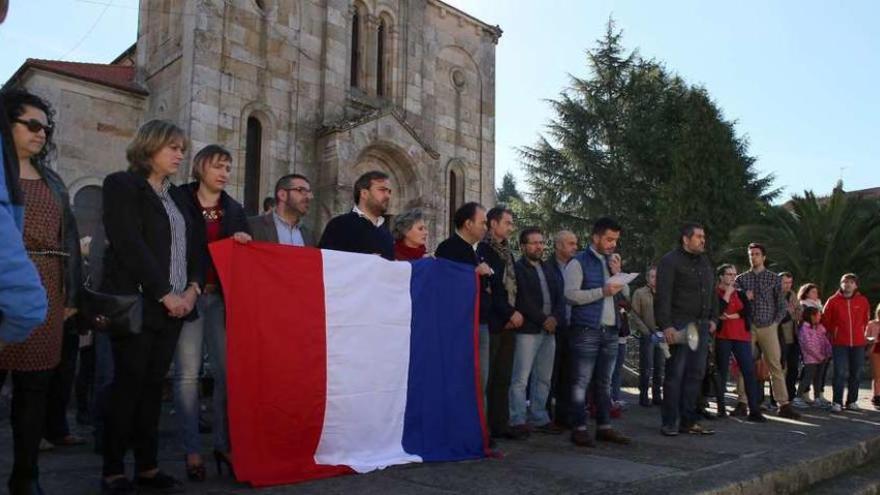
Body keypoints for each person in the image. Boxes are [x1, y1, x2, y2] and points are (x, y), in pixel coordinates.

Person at [100, 120, 205, 494]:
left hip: (177, 306)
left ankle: (147, 466)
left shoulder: (178, 197)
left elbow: (197, 247)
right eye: (173, 147)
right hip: (140, 303)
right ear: (150, 147)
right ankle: (113, 469)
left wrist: (192, 289)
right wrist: (164, 292)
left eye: (182, 148)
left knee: (151, 388)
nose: (180, 154)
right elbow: (128, 243)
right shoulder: (121, 185)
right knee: (127, 385)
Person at [0, 88, 83, 495]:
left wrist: (71, 299)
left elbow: (66, 239)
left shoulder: (52, 179)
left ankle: (26, 476)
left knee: (35, 390)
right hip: (4, 286)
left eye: (46, 128)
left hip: (49, 287)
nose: (40, 134)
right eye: (31, 125)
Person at [174, 145, 251, 481]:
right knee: (187, 377)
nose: (224, 173)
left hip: (219, 299)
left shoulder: (234, 210)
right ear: (200, 167)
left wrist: (243, 242)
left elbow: (242, 260)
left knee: (226, 374)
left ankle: (223, 444)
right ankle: (191, 450)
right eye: (218, 166)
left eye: (228, 168)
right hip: (187, 299)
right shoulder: (178, 200)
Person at [565, 217, 630, 447]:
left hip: (611, 331)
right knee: (581, 382)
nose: (613, 244)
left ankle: (604, 426)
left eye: (615, 240)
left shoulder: (611, 262)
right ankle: (579, 428)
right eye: (609, 239)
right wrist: (601, 291)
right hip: (586, 330)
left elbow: (625, 297)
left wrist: (618, 272)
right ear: (595, 237)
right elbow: (570, 295)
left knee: (604, 382)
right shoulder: (578, 262)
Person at [654, 223, 717, 437]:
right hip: (679, 325)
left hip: (701, 326)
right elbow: (663, 297)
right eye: (698, 236)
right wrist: (666, 326)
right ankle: (670, 422)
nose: (703, 240)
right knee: (675, 375)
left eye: (704, 236)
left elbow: (712, 293)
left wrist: (713, 318)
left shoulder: (705, 262)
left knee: (696, 374)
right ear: (685, 239)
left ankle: (688, 422)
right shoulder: (669, 261)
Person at [435, 203, 493, 414]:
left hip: (481, 322)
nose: (486, 227)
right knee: (463, 380)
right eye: (482, 222)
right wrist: (473, 273)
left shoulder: (476, 250)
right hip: (461, 327)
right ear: (468, 223)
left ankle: (480, 432)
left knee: (480, 381)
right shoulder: (448, 248)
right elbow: (446, 285)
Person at [507, 227, 565, 437]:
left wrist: (555, 318)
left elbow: (560, 296)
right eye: (534, 243)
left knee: (544, 378)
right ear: (523, 246)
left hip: (550, 331)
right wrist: (544, 319)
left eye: (541, 242)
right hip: (529, 330)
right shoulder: (518, 268)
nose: (539, 246)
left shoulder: (550, 268)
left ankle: (539, 417)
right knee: (520, 379)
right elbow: (521, 299)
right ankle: (517, 419)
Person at [735, 243, 800, 419]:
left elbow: (781, 305)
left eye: (756, 254)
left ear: (763, 257)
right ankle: (742, 401)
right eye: (751, 254)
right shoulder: (741, 279)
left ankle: (783, 404)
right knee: (745, 364)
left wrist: (775, 323)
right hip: (748, 327)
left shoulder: (773, 279)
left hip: (768, 326)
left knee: (775, 366)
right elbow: (736, 303)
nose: (753, 257)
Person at [481, 205, 524, 439]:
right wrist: (508, 314)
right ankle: (485, 427)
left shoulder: (508, 251)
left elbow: (513, 285)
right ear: (493, 224)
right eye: (506, 223)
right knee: (488, 378)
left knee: (503, 377)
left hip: (509, 320)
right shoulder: (485, 250)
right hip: (494, 321)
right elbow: (493, 288)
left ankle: (501, 424)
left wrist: (514, 313)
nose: (510, 227)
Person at [713, 264, 765, 422]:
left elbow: (748, 311)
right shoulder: (715, 293)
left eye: (734, 274)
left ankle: (754, 410)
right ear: (721, 276)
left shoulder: (741, 293)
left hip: (742, 336)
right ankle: (721, 408)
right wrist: (727, 294)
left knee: (749, 371)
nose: (732, 277)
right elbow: (718, 311)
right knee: (722, 371)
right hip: (723, 336)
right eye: (729, 274)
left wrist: (732, 316)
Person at [822, 273, 871, 413]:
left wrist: (861, 333)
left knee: (856, 372)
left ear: (856, 285)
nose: (847, 284)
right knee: (840, 373)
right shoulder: (832, 301)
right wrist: (835, 333)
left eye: (851, 282)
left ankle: (852, 401)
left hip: (858, 343)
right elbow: (826, 321)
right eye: (845, 282)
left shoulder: (863, 301)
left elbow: (865, 319)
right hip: (839, 343)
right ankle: (836, 402)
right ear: (841, 284)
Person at [319, 170, 394, 260]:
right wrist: (362, 261)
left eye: (389, 191)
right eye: (382, 190)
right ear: (364, 193)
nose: (388, 196)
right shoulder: (339, 225)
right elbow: (325, 262)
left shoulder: (386, 233)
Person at [548, 230, 577, 425]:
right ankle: (546, 414)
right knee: (550, 373)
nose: (575, 247)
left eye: (576, 243)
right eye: (571, 243)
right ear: (558, 246)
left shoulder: (577, 266)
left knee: (569, 373)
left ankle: (565, 415)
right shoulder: (547, 267)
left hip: (573, 327)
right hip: (553, 327)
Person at [248, 174, 315, 246]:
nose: (310, 197)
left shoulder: (309, 236)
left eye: (309, 192)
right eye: (302, 190)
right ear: (282, 195)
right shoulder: (253, 226)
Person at [630, 267, 664, 407]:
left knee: (659, 366)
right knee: (646, 366)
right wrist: (646, 332)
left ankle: (657, 395)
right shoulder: (640, 293)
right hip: (648, 333)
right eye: (652, 276)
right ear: (647, 278)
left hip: (662, 333)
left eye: (657, 276)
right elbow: (635, 315)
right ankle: (643, 395)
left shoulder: (664, 293)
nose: (655, 279)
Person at [793, 306, 832, 408]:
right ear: (812, 316)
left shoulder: (819, 328)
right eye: (818, 315)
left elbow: (825, 341)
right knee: (807, 378)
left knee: (818, 378)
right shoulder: (804, 329)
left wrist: (828, 352)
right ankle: (797, 397)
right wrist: (819, 356)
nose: (820, 317)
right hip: (810, 359)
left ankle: (817, 398)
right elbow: (808, 346)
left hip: (822, 358)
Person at [777, 272, 799, 405]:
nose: (787, 285)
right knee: (779, 368)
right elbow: (779, 316)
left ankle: (791, 396)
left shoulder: (792, 294)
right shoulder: (774, 294)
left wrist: (792, 313)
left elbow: (799, 312)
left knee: (793, 368)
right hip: (778, 336)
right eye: (785, 282)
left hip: (793, 336)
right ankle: (778, 398)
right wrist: (790, 313)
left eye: (790, 282)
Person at [866, 303, 880, 409]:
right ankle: (876, 396)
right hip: (875, 350)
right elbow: (866, 337)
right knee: (877, 375)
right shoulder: (872, 324)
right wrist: (871, 340)